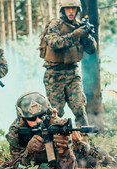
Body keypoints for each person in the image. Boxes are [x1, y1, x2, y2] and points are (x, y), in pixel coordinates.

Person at [6, 91, 117, 169]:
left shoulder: (56, 124)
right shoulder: (16, 132)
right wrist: (29, 151)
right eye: (31, 118)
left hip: (79, 151)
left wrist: (65, 150)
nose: (38, 121)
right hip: (40, 162)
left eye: (42, 115)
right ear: (22, 117)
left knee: (114, 164)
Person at [40, 0, 97, 128]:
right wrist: (75, 35)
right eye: (68, 9)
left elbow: (91, 50)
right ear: (63, 10)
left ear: (77, 10)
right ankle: (57, 143)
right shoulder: (55, 25)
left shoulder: (79, 26)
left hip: (72, 72)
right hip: (54, 74)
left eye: (73, 9)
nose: (71, 12)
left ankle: (85, 142)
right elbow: (54, 43)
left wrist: (86, 37)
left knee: (79, 108)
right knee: (57, 112)